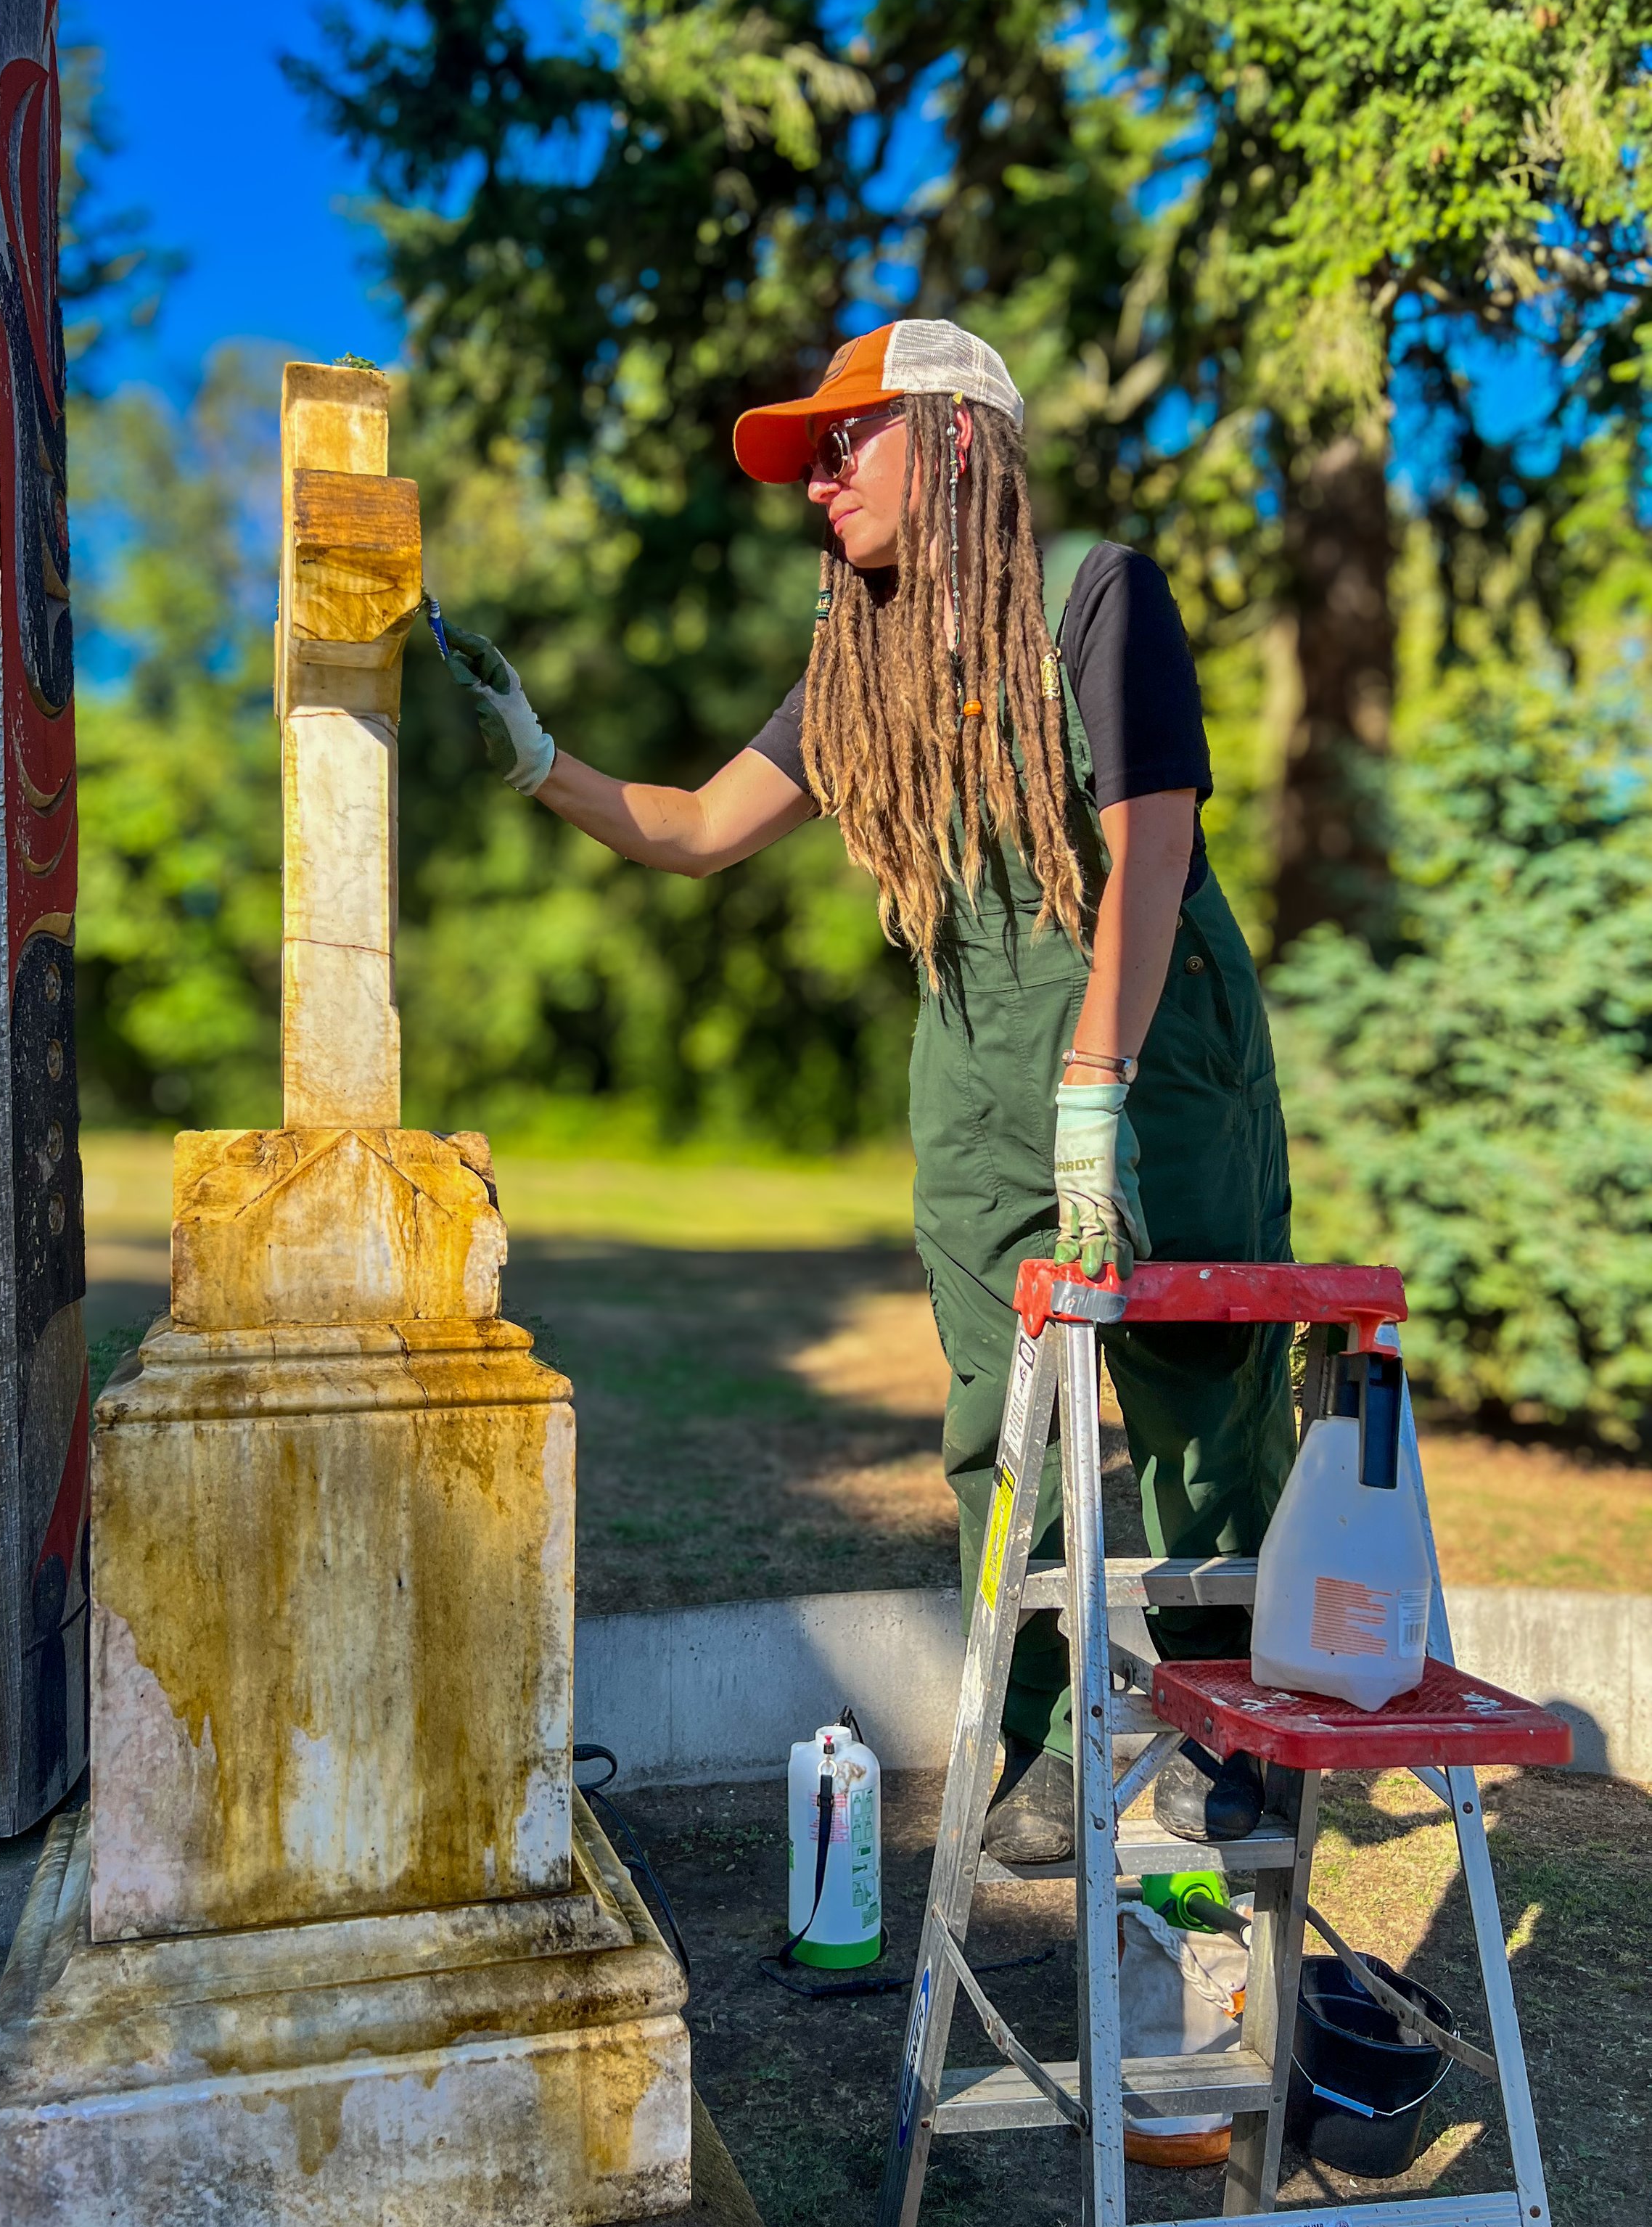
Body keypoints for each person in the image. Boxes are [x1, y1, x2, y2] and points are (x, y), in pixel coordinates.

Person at [441, 319, 1294, 1863]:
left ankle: (1230, 1727)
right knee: (996, 1422)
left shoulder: (1092, 589)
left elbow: (1150, 849)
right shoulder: (860, 662)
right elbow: (697, 825)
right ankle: (1047, 1730)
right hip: (972, 1071)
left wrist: (1095, 1084)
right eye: (809, 458)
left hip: (1154, 1045)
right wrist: (536, 756)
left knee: (1198, 1388)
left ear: (954, 441)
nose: (818, 479)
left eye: (848, 442)